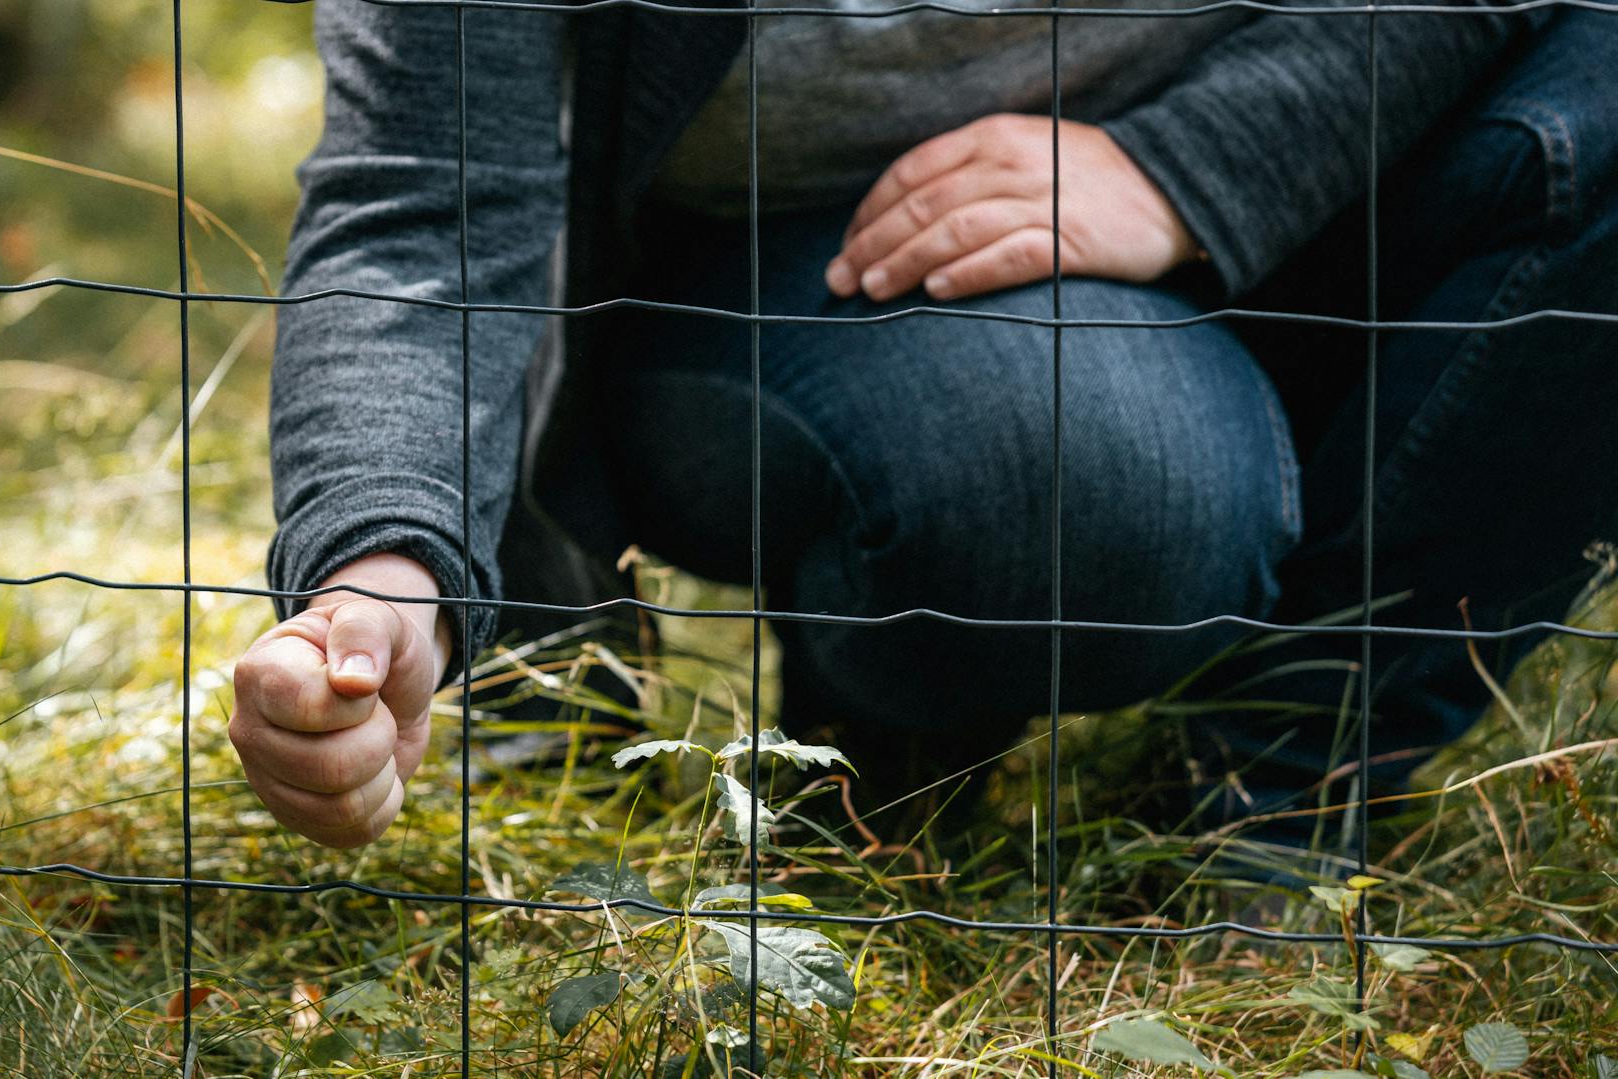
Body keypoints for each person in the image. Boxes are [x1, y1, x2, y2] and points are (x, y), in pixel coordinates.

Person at [227, 0, 1618, 852]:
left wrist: (1193, 169)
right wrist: (383, 574)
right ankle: (892, 753)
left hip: (1287, 154)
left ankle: (1283, 800)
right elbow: (420, 195)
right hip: (771, 256)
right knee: (1089, 479)